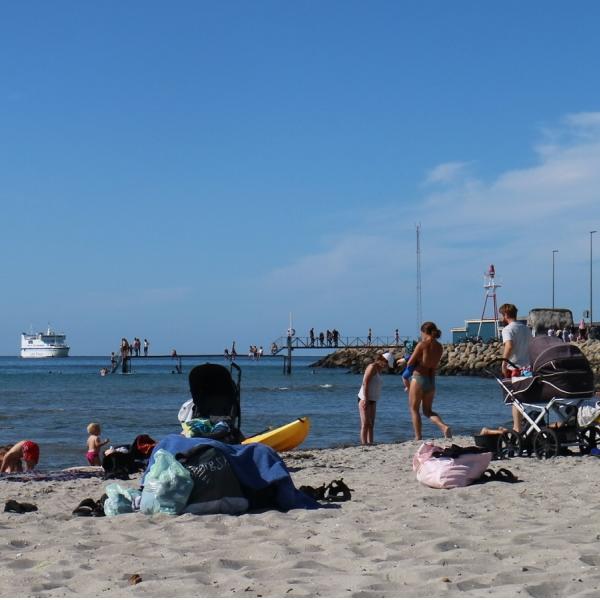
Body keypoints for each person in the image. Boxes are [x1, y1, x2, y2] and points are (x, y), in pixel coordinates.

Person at [407, 322, 451, 440]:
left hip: (419, 378)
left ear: (424, 332)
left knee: (414, 409)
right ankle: (443, 426)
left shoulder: (422, 344)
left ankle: (418, 436)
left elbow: (410, 362)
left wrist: (405, 361)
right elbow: (433, 364)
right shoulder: (439, 346)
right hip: (431, 380)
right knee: (428, 411)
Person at [499, 303, 531, 432]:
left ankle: (517, 428)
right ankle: (523, 424)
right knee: (525, 397)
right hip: (528, 367)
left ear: (506, 315)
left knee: (516, 399)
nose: (502, 318)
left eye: (502, 315)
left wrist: (504, 362)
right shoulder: (526, 329)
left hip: (515, 368)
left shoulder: (507, 329)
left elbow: (509, 346)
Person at [357, 351, 394, 445]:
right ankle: (364, 444)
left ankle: (371, 443)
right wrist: (365, 399)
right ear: (382, 360)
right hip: (364, 398)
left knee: (371, 424)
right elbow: (365, 383)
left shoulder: (378, 369)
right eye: (386, 364)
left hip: (373, 399)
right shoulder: (372, 367)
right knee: (365, 424)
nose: (386, 367)